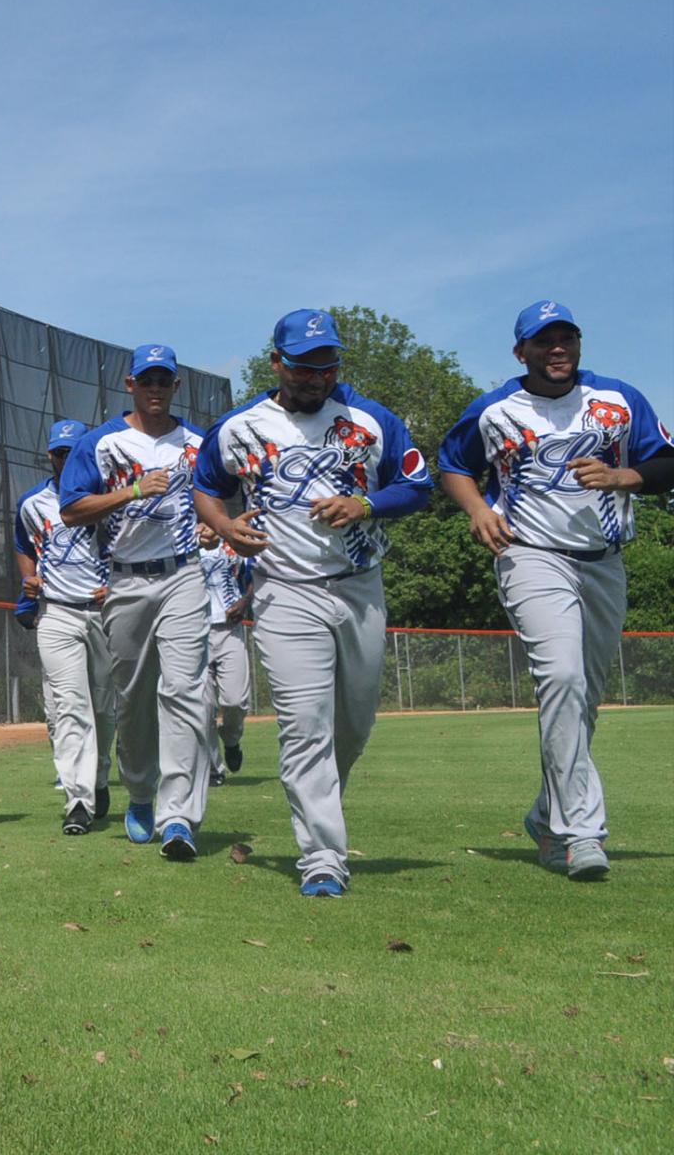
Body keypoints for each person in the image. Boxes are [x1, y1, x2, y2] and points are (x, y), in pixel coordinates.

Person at [195, 310, 432, 895]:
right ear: (276, 362)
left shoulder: (370, 420)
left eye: (326, 365)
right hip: (284, 590)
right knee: (305, 725)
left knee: (352, 725)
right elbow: (205, 486)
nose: (315, 377)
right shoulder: (241, 426)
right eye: (303, 366)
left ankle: (323, 800)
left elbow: (418, 485)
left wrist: (368, 506)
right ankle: (322, 856)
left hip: (359, 586)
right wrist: (224, 525)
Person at [438, 301, 674, 881]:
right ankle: (581, 833)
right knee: (562, 678)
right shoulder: (496, 409)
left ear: (578, 344)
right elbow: (450, 463)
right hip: (529, 554)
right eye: (544, 341)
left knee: (582, 698)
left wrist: (628, 476)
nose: (557, 348)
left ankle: (547, 815)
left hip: (604, 559)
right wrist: (474, 508)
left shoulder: (618, 399)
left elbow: (669, 461)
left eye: (566, 337)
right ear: (522, 353)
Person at [58, 345, 210, 861]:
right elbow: (72, 509)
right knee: (135, 697)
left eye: (164, 381)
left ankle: (178, 816)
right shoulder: (102, 443)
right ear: (130, 384)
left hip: (184, 574)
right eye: (147, 380)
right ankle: (141, 793)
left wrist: (215, 522)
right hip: (124, 582)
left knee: (186, 689)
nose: (155, 389)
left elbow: (218, 494)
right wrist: (131, 492)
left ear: (176, 386)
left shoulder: (196, 442)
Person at [13, 420, 116, 835]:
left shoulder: (108, 497)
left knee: (106, 708)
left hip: (104, 612)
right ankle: (78, 798)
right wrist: (29, 576)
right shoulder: (32, 504)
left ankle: (102, 774)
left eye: (73, 453)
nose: (65, 460)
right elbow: (23, 546)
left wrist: (118, 583)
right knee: (71, 707)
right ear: (50, 456)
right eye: (59, 453)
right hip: (56, 613)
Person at [196, 520, 254, 788]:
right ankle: (212, 768)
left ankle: (231, 739)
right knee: (203, 707)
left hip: (230, 629)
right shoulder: (185, 550)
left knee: (235, 701)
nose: (204, 528)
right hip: (196, 632)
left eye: (209, 523)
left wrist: (245, 601)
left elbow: (257, 575)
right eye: (200, 523)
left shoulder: (234, 546)